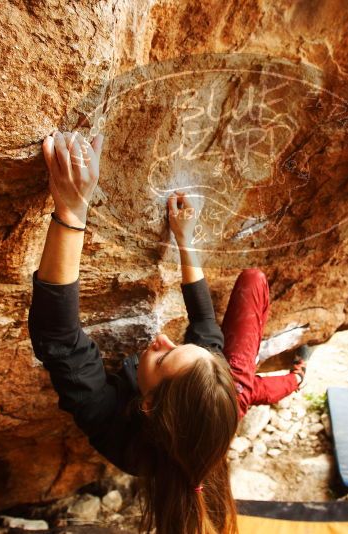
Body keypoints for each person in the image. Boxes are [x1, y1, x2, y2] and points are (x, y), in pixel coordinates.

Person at [28, 131, 238, 534]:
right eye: (180, 347)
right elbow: (206, 328)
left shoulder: (117, 433)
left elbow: (58, 339)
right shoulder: (209, 400)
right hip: (224, 399)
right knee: (251, 287)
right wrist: (185, 239)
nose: (162, 339)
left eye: (163, 357)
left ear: (147, 404)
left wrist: (72, 210)